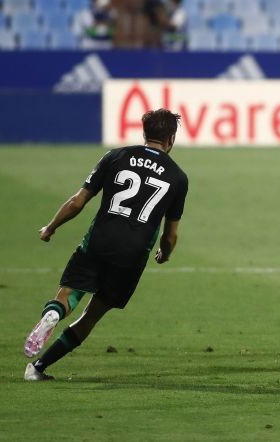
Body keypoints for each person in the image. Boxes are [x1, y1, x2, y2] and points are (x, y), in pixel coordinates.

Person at [23, 109, 189, 381]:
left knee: (68, 296)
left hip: (98, 244)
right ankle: (38, 368)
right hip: (132, 257)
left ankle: (52, 315)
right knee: (91, 316)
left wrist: (50, 227)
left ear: (144, 133)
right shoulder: (178, 177)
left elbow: (77, 202)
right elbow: (170, 236)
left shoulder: (116, 156)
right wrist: (165, 254)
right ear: (171, 139)